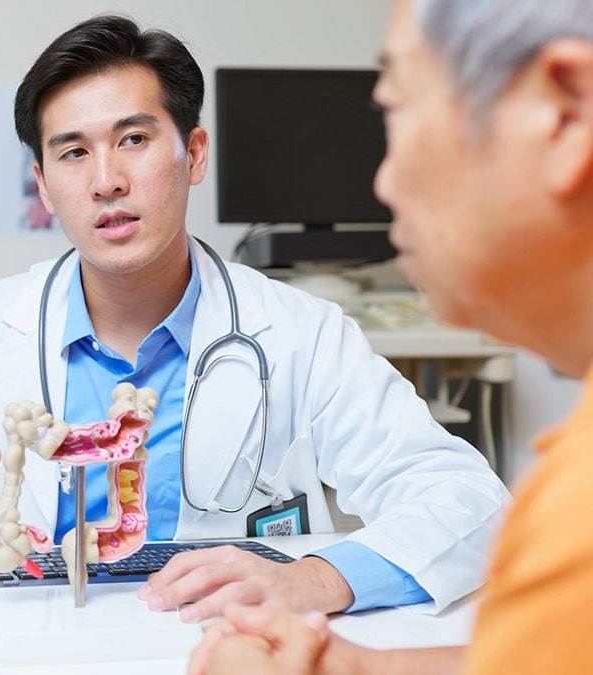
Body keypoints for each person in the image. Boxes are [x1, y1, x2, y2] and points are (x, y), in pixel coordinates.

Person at [0, 13, 509, 621]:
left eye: (134, 139)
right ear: (42, 184)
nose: (107, 180)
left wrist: (316, 577)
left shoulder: (301, 332)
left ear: (194, 153)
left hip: (229, 643)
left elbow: (468, 502)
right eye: (73, 153)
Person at [188, 0, 593, 673]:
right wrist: (349, 665)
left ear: (566, 113)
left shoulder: (577, 514)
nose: (382, 181)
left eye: (395, 111)